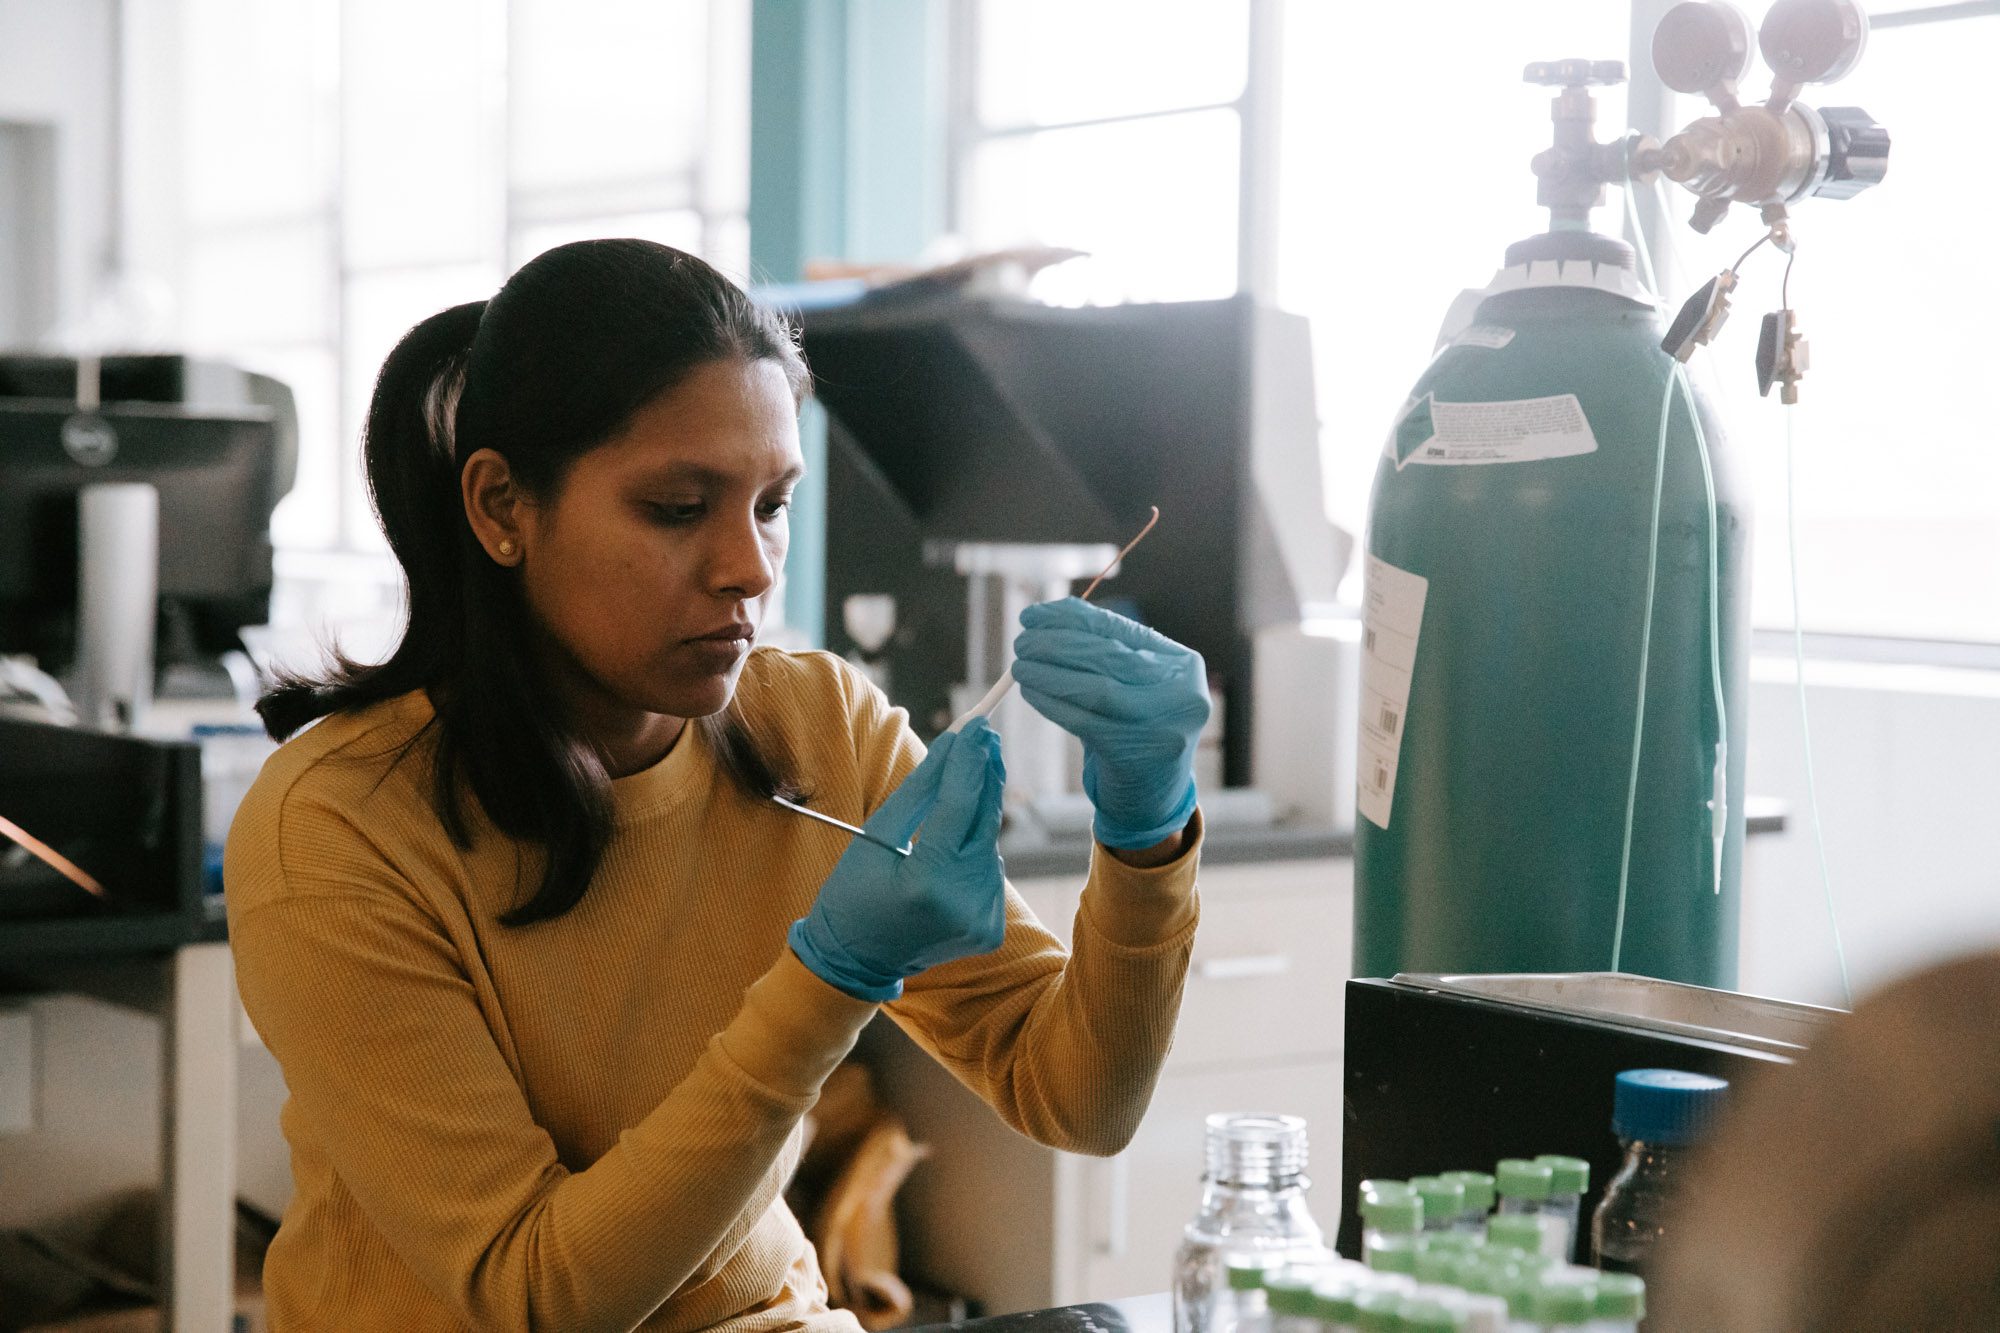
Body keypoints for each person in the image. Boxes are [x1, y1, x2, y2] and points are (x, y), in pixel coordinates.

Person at [225, 239, 1212, 1332]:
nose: (747, 567)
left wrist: (1145, 827)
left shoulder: (812, 723)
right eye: (678, 507)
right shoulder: (334, 832)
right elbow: (537, 1295)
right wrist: (831, 978)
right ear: (502, 506)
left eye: (772, 503)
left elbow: (1079, 1094)